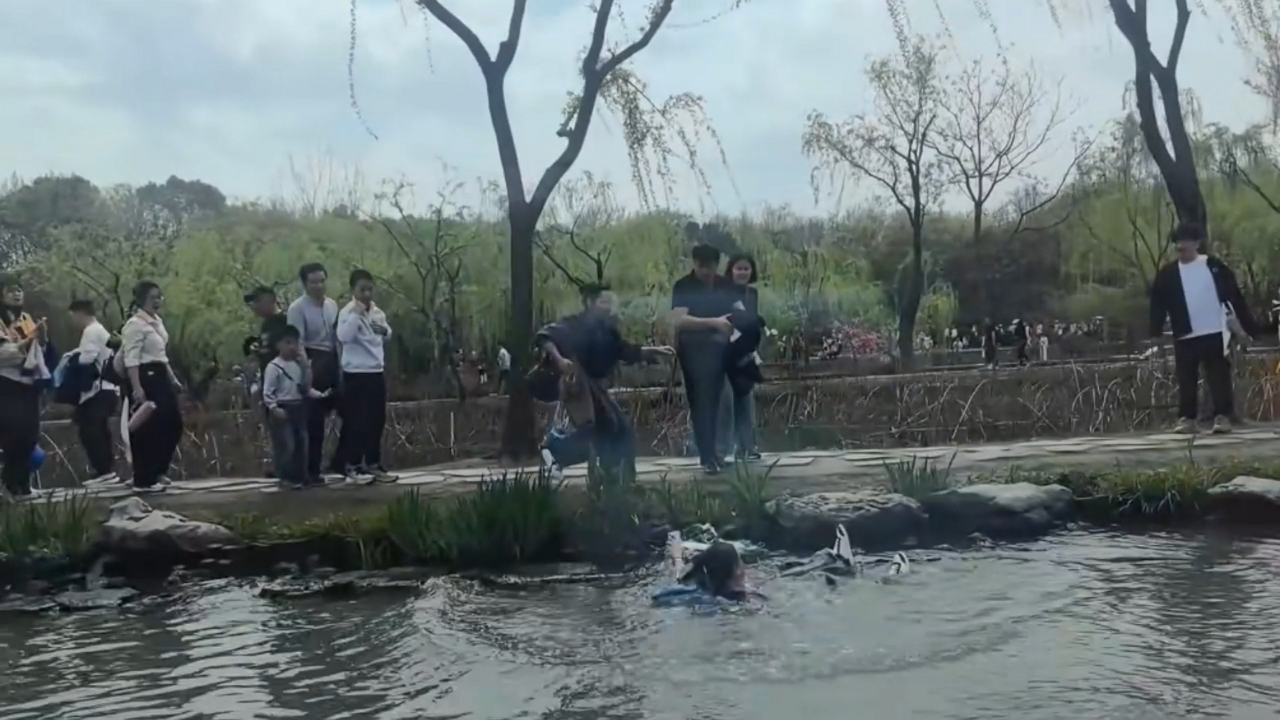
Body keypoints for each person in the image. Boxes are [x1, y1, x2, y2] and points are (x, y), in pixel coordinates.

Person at [537, 284, 673, 479]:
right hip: (578, 384)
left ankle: (616, 478)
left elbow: (624, 351)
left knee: (621, 430)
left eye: (610, 302)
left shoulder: (608, 330)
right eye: (603, 302)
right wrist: (559, 360)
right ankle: (554, 450)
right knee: (593, 429)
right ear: (590, 303)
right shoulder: (574, 324)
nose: (608, 306)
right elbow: (545, 337)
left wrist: (655, 351)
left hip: (598, 387)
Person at [1149, 221, 1258, 434]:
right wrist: (1155, 331)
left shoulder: (1214, 267)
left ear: (1196, 243)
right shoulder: (1168, 274)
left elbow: (1234, 296)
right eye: (1178, 242)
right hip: (1184, 333)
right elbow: (1158, 304)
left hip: (1214, 330)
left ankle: (1223, 416)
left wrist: (1247, 327)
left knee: (1218, 375)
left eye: (1185, 242)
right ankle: (1187, 418)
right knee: (1186, 377)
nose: (1181, 246)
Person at [671, 244, 735, 475]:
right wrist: (714, 323)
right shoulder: (684, 285)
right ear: (694, 264)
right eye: (701, 266)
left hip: (721, 350)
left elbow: (737, 312)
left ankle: (718, 453)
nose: (706, 271)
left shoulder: (725, 285)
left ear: (717, 265)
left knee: (719, 403)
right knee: (700, 403)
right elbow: (679, 320)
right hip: (693, 351)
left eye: (710, 266)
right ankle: (707, 457)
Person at [120, 281, 184, 493]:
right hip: (144, 375)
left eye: (159, 297)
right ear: (141, 300)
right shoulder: (134, 325)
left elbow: (161, 355)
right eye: (152, 298)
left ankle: (158, 470)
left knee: (173, 423)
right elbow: (131, 358)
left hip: (160, 374)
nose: (157, 302)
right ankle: (143, 478)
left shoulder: (157, 322)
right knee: (147, 427)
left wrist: (172, 379)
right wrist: (137, 387)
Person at [334, 269, 396, 482]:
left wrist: (384, 331)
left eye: (370, 289)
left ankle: (373, 462)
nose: (367, 294)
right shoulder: (347, 313)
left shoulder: (377, 312)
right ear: (353, 290)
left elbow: (387, 333)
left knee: (376, 419)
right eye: (362, 290)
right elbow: (343, 336)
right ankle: (352, 463)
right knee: (356, 420)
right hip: (355, 373)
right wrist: (357, 314)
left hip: (375, 371)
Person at [287, 263, 341, 483]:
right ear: (305, 284)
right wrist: (306, 371)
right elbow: (297, 342)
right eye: (313, 282)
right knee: (313, 422)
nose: (319, 286)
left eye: (322, 281)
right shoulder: (297, 308)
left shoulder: (332, 305)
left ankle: (343, 461)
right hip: (311, 360)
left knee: (350, 408)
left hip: (332, 360)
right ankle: (310, 471)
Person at [0, 276, 54, 499]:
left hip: (29, 384)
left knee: (30, 435)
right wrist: (29, 339)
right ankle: (11, 484)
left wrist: (42, 337)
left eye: (19, 290)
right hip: (7, 383)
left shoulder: (26, 319)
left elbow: (39, 351)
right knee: (14, 434)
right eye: (11, 290)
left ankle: (23, 484)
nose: (17, 294)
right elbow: (3, 355)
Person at [262, 325, 328, 489]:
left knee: (302, 443)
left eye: (295, 343)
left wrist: (307, 369)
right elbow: (268, 391)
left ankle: (300, 476)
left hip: (299, 406)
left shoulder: (299, 365)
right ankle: (285, 476)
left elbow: (305, 387)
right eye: (287, 342)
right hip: (283, 407)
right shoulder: (274, 367)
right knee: (287, 444)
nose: (292, 347)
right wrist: (273, 407)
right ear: (278, 345)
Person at [68, 299, 118, 485]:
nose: (73, 321)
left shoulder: (91, 331)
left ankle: (103, 470)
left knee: (90, 429)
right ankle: (106, 470)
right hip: (108, 389)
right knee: (100, 429)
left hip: (97, 390)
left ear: (80, 313)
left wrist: (72, 358)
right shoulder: (101, 330)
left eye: (73, 316)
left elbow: (86, 358)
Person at [723, 253, 764, 462]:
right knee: (727, 402)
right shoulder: (723, 292)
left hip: (746, 352)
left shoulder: (752, 294)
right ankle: (727, 449)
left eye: (746, 269)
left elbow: (752, 321)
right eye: (738, 268)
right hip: (726, 351)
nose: (742, 272)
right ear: (730, 270)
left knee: (746, 400)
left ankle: (747, 447)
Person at [652, 540, 762, 606]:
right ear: (737, 570)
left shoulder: (693, 588)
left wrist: (677, 558)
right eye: (740, 560)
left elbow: (675, 580)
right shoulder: (746, 596)